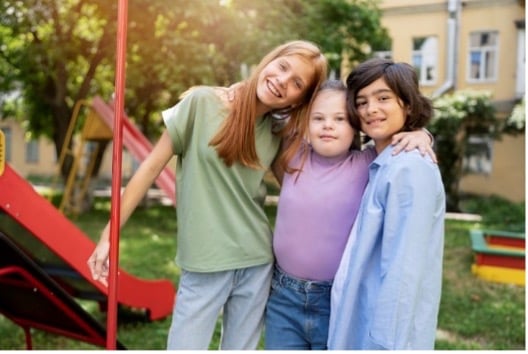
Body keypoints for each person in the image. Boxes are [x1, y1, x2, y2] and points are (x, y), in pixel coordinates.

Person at [87, 40, 329, 350]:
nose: (283, 81)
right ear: (269, 61)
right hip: (204, 263)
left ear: (299, 100)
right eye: (283, 67)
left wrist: (411, 131)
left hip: (256, 263)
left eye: (297, 83)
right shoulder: (201, 103)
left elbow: (303, 191)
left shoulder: (277, 133)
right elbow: (149, 169)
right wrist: (110, 235)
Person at [264, 79, 436, 350]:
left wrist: (422, 134)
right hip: (283, 297)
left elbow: (395, 136)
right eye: (318, 118)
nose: (327, 125)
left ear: (356, 126)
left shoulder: (366, 163)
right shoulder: (293, 155)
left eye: (340, 118)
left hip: (335, 300)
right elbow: (272, 111)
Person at [327, 58, 446, 350]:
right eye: (362, 101)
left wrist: (384, 345)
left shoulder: (408, 169)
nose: (371, 109)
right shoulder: (380, 160)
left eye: (383, 98)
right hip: (361, 321)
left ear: (407, 104)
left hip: (381, 335)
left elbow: (403, 275)